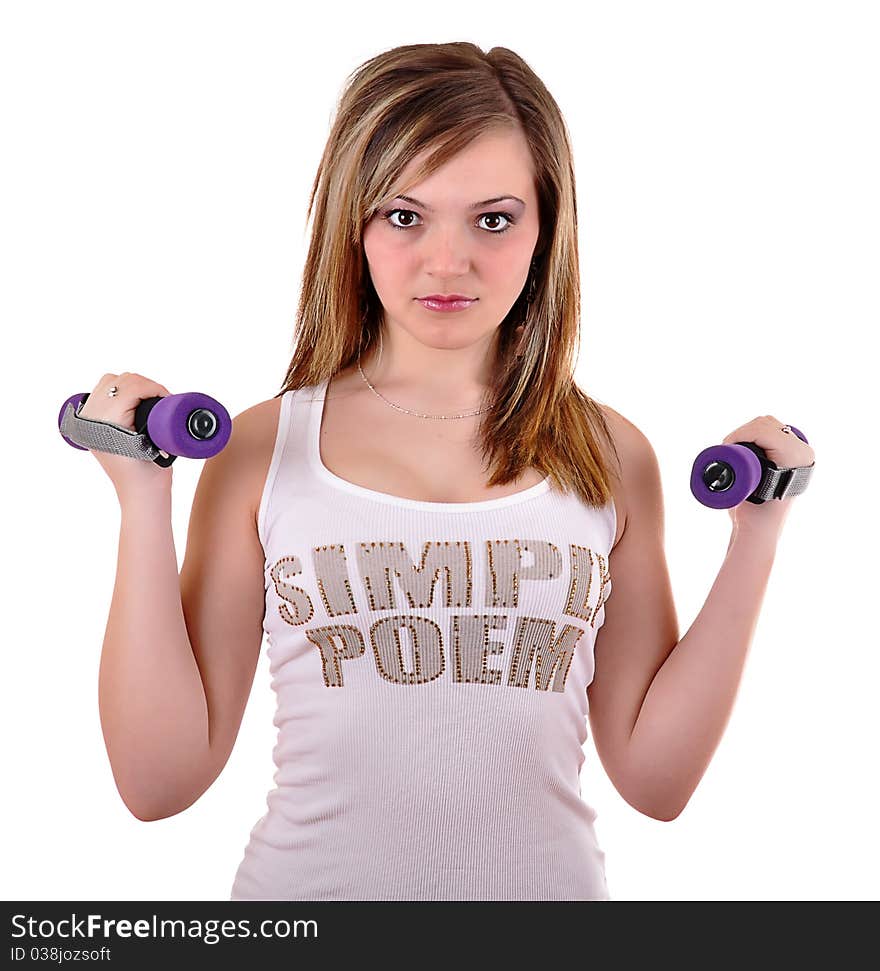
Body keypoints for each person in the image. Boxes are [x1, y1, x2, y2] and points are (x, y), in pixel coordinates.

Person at [80, 41, 813, 902]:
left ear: (545, 231)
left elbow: (656, 782)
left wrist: (757, 535)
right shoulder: (262, 448)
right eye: (404, 215)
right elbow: (157, 784)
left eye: (493, 219)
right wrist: (141, 498)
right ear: (352, 222)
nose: (447, 261)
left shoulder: (609, 457)